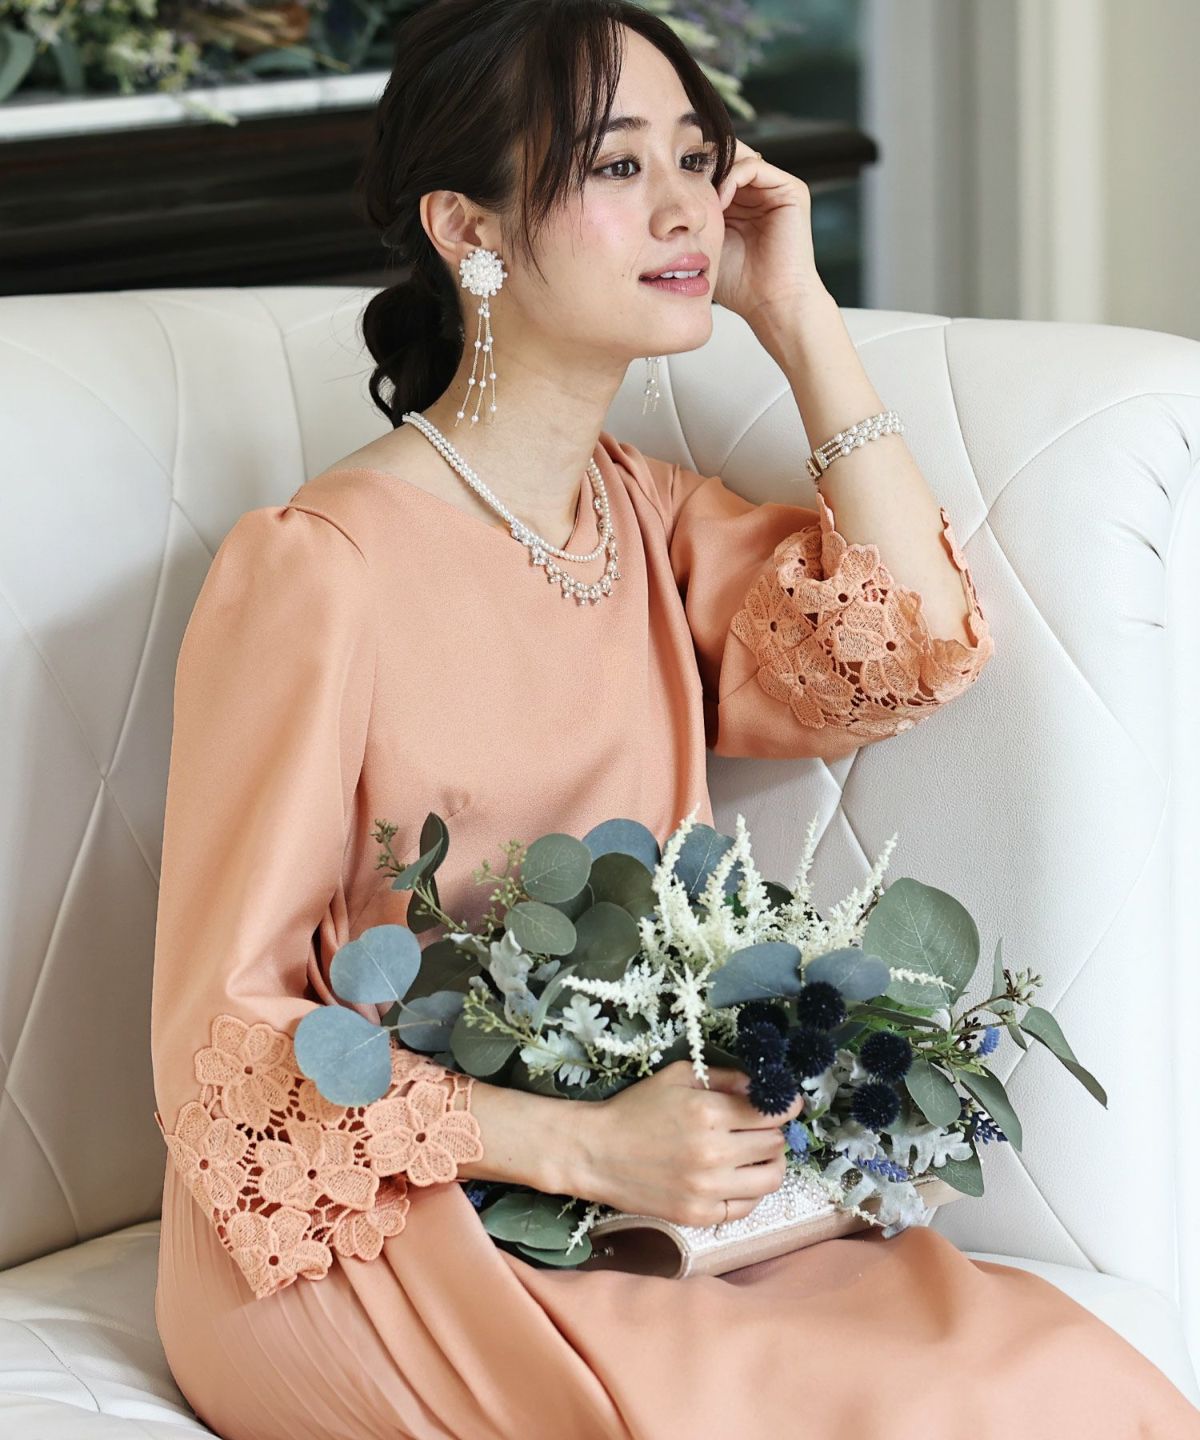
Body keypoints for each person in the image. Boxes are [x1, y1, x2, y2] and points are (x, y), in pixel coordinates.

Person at [149, 1, 1200, 1436]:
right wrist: (582, 1148)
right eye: (615, 164)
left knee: (1067, 1383)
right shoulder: (315, 569)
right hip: (382, 1216)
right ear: (467, 227)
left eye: (697, 159)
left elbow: (911, 645)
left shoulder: (646, 519)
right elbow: (222, 1039)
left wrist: (800, 318)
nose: (684, 206)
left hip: (663, 1190)